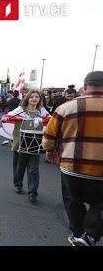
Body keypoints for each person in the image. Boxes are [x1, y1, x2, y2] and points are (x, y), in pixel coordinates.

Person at [43, 71, 103, 246]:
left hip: (72, 166)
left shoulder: (66, 107)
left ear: (84, 87)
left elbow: (49, 136)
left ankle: (78, 234)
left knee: (72, 201)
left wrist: (50, 151)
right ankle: (89, 235)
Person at [1, 90, 49, 203]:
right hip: (20, 143)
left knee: (34, 169)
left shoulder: (42, 111)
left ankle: (32, 192)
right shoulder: (20, 110)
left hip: (35, 144)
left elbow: (50, 119)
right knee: (19, 166)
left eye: (36, 97)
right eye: (31, 97)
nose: (34, 99)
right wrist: (5, 118)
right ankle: (18, 184)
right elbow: (8, 115)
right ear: (27, 98)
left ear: (39, 99)